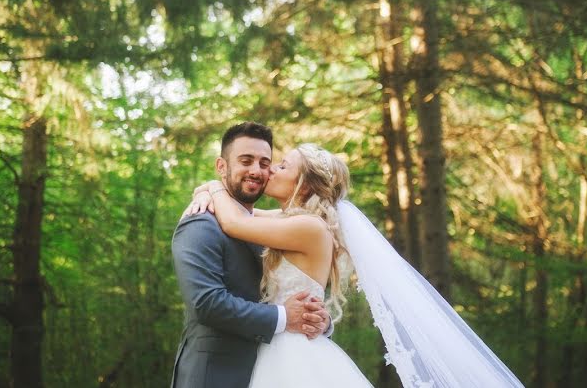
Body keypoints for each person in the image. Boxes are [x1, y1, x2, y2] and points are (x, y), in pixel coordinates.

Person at [185, 141, 525, 388]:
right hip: (277, 343)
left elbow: (235, 223)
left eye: (283, 166)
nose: (271, 169)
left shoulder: (308, 227)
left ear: (305, 184)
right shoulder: (292, 220)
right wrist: (207, 191)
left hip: (292, 352)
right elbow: (242, 211)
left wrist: (215, 184)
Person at [170, 122, 332, 388]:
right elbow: (206, 303)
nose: (257, 170)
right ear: (222, 166)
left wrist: (319, 322)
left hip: (278, 368)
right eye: (246, 161)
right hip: (215, 376)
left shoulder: (274, 228)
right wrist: (285, 316)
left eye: (265, 162)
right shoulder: (200, 223)